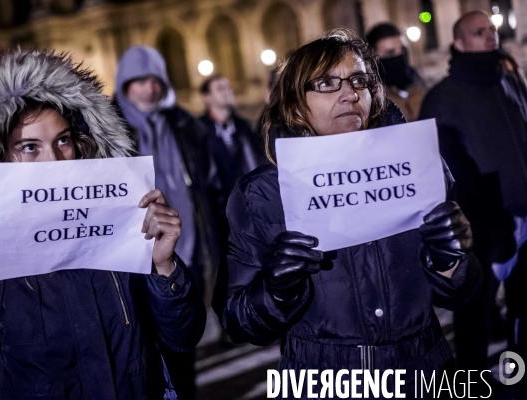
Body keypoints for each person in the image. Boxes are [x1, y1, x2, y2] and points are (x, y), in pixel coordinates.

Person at [213, 30, 481, 399]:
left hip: (423, 372)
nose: (350, 93)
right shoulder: (260, 195)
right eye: (326, 83)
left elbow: (462, 292)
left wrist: (451, 260)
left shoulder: (420, 169)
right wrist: (274, 290)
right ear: (295, 102)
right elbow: (239, 322)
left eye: (359, 80)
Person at [0, 49, 206, 399]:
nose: (53, 159)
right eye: (29, 147)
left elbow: (182, 337)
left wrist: (164, 266)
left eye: (62, 140)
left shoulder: (121, 216)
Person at [419, 11, 527, 393]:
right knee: (476, 319)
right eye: (479, 32)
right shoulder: (441, 98)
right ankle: (471, 386)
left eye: (492, 31)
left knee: (522, 314)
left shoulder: (511, 81)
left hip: (524, 218)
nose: (490, 37)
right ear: (459, 43)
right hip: (480, 227)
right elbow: (438, 173)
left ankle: (518, 378)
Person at [114, 45, 219, 400]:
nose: (148, 88)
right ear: (124, 84)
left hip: (188, 245)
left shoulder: (183, 123)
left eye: (154, 80)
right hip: (138, 254)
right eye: (138, 81)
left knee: (182, 341)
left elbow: (205, 181)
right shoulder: (108, 130)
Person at [198, 74, 265, 267]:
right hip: (218, 216)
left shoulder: (243, 126)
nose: (228, 91)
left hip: (247, 211)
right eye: (220, 88)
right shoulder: (198, 131)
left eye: (228, 86)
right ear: (207, 97)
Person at [366, 22, 427, 121]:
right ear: (373, 59)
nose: (400, 56)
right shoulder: (373, 101)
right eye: (390, 53)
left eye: (402, 50)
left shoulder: (422, 86)